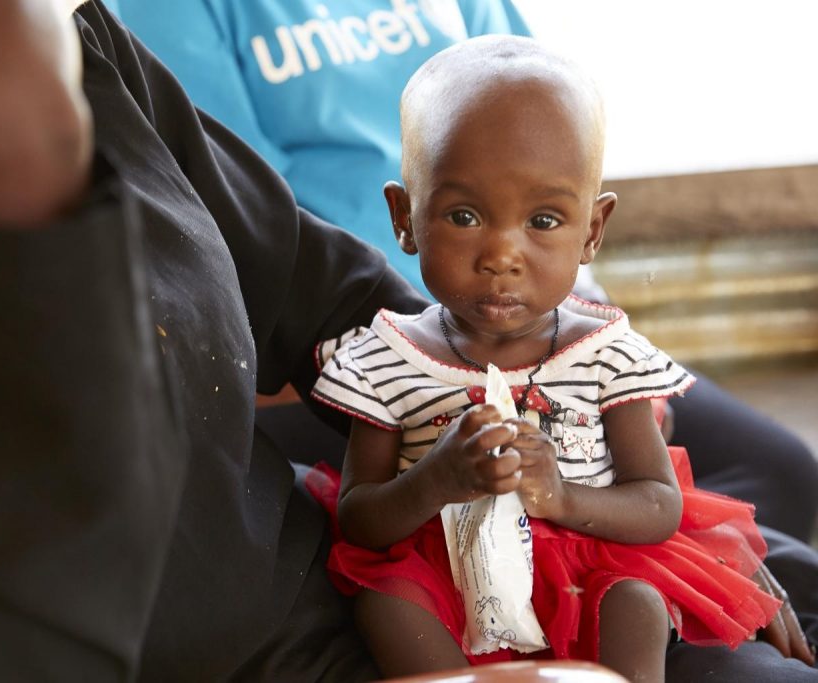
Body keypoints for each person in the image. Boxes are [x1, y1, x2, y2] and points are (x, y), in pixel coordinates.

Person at [0, 1, 815, 682]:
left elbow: (312, 283)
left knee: (776, 575)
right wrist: (12, 154)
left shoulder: (67, 40)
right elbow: (12, 641)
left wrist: (664, 533)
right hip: (347, 628)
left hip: (349, 593)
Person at [113, 0, 818, 543]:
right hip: (369, 351)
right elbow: (243, 237)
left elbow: (550, 140)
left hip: (539, 323)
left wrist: (585, 343)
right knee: (655, 529)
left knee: (775, 477)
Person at [307, 35, 809, 681]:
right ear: (404, 217)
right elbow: (360, 519)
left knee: (637, 601)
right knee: (385, 604)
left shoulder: (605, 354)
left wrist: (562, 496)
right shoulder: (387, 357)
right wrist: (435, 480)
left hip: (586, 563)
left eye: (544, 221)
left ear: (592, 231)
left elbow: (659, 502)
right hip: (443, 570)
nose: (502, 254)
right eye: (463, 215)